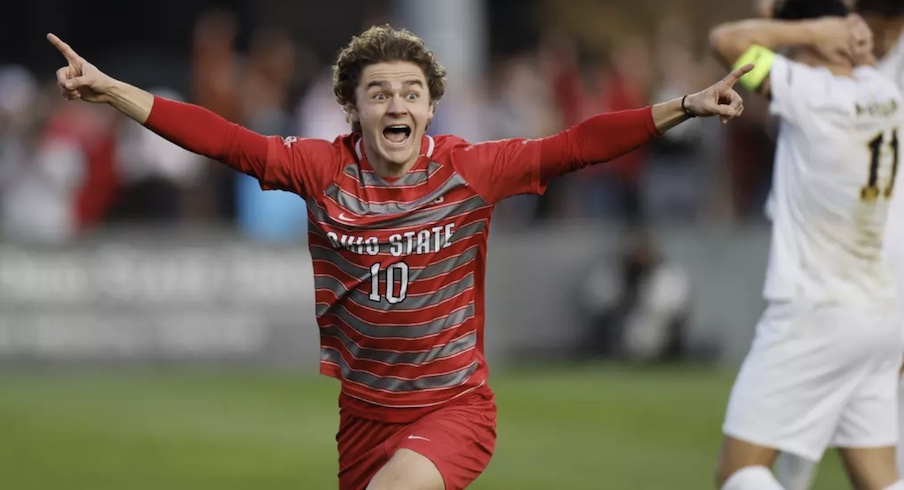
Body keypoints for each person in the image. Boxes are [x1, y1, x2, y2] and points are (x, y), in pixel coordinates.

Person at [46, 25, 750, 490]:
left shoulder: (472, 170)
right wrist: (110, 89)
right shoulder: (321, 169)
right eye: (379, 92)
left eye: (411, 93)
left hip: (454, 408)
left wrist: (683, 105)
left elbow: (576, 144)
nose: (397, 103)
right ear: (353, 111)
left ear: (431, 109)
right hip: (363, 417)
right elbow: (221, 139)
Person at [709, 1, 904, 489]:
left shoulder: (811, 92)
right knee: (879, 480)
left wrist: (815, 29)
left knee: (739, 472)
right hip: (879, 317)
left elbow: (726, 44)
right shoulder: (885, 93)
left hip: (813, 310)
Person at [772, 1, 904, 487]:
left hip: (848, 276)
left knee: (751, 453)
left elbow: (731, 43)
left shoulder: (824, 81)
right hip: (862, 270)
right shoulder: (863, 74)